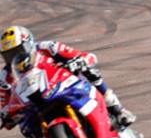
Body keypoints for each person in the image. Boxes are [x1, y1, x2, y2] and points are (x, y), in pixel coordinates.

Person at [0, 25, 136, 128]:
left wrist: (80, 61)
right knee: (27, 127)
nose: (14, 58)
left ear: (28, 44)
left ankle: (117, 109)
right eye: (8, 56)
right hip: (34, 104)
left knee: (89, 72)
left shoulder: (48, 48)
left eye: (17, 52)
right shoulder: (4, 76)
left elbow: (84, 57)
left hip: (64, 85)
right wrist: (5, 114)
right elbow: (3, 103)